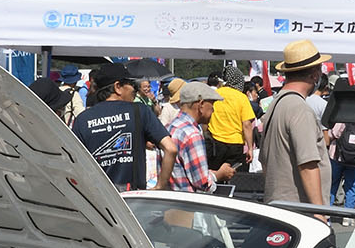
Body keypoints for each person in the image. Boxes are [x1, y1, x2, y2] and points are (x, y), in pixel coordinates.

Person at [71, 62, 175, 191]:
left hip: (98, 199)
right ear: (118, 87)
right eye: (131, 84)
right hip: (133, 198)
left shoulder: (82, 120)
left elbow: (74, 166)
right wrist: (160, 186)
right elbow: (171, 149)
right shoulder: (139, 111)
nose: (134, 90)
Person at [259, 40, 328, 206]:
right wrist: (319, 211)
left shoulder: (276, 103)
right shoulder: (299, 109)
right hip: (299, 208)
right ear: (315, 74)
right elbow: (308, 163)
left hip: (280, 203)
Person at [166, 81, 235, 193]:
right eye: (212, 105)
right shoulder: (192, 134)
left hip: (169, 199)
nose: (213, 110)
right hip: (187, 203)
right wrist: (219, 174)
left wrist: (209, 173)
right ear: (201, 105)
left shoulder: (171, 127)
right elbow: (203, 183)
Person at [326, 77, 355, 209]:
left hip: (337, 155)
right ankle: (348, 216)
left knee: (333, 184)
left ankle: (327, 214)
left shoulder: (343, 111)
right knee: (352, 187)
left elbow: (333, 134)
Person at [204, 66, 256, 174]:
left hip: (215, 142)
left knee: (215, 175)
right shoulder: (242, 98)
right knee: (233, 177)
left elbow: (205, 118)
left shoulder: (215, 94)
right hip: (235, 145)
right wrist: (250, 148)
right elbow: (247, 124)